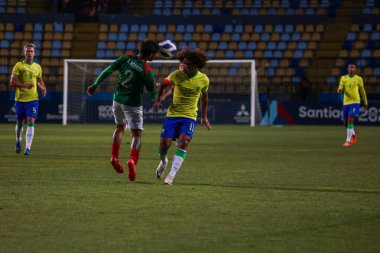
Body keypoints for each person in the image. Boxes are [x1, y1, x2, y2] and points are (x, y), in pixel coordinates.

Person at [87, 39, 159, 181]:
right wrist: (156, 86)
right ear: (150, 54)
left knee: (120, 127)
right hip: (133, 104)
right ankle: (132, 160)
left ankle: (114, 157)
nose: (155, 57)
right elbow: (153, 95)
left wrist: (95, 84)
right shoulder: (147, 71)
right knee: (136, 134)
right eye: (154, 54)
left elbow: (108, 70)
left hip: (117, 100)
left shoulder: (125, 58)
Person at [153, 47, 211, 185]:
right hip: (172, 115)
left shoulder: (203, 80)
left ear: (196, 65)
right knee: (164, 145)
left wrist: (204, 117)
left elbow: (204, 98)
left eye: (188, 64)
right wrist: (158, 100)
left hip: (189, 117)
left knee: (183, 142)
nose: (184, 66)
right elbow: (162, 85)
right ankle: (163, 161)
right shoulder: (177, 75)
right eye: (183, 63)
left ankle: (171, 176)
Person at [10, 42, 46, 156]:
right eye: (27, 51)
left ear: (34, 54)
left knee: (31, 121)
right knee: (20, 123)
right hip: (20, 100)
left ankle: (28, 148)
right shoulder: (19, 66)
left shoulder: (37, 67)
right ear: (24, 53)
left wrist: (43, 87)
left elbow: (39, 79)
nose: (29, 53)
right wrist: (25, 85)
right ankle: (18, 140)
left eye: (31, 51)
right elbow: (12, 82)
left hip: (33, 99)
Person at [337, 64, 368, 147]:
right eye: (350, 67)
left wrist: (365, 102)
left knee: (351, 119)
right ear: (347, 69)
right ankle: (354, 134)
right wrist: (340, 90)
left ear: (355, 69)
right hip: (346, 102)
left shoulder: (359, 79)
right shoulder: (343, 78)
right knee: (345, 123)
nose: (351, 68)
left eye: (353, 67)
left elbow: (362, 91)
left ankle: (348, 140)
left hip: (355, 102)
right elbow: (339, 87)